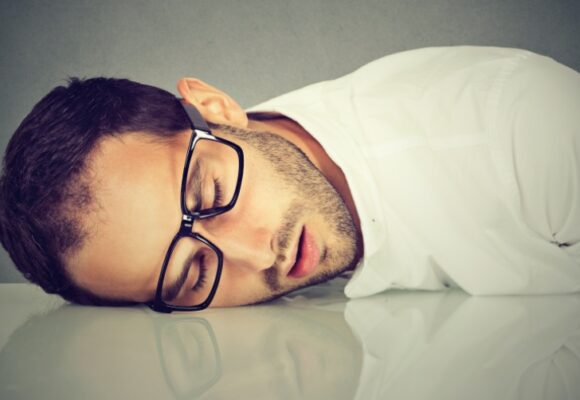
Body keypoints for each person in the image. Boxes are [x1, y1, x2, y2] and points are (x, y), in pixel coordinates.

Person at [1, 46, 579, 312]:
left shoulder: (520, 129)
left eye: (211, 194)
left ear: (215, 107)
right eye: (192, 271)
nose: (257, 254)